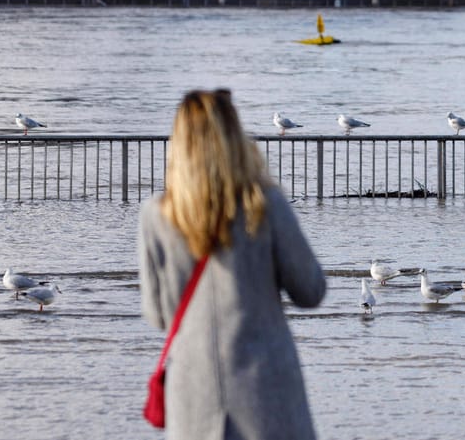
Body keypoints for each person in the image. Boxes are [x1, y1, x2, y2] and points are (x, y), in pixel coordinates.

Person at [138, 89, 327, 439]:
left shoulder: (157, 214)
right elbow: (311, 290)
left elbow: (158, 314)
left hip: (193, 391)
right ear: (235, 137)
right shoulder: (265, 203)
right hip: (267, 389)